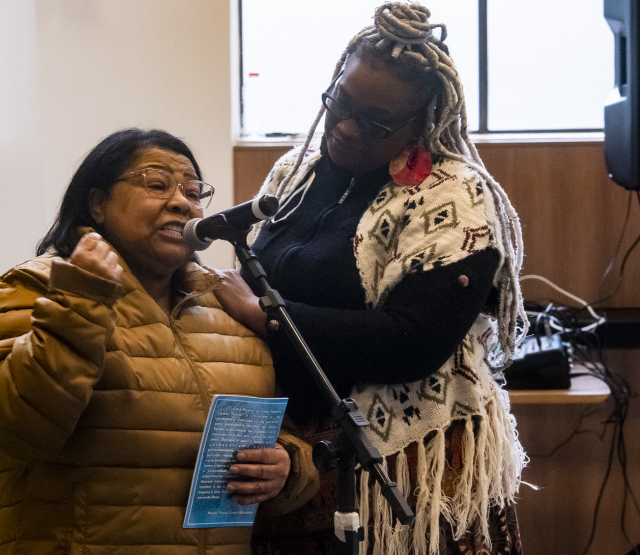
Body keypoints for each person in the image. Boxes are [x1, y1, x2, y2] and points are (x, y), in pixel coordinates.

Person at [215, 3, 529, 554]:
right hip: (291, 454)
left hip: (409, 468)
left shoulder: (452, 196)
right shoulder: (295, 171)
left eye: (375, 123)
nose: (345, 127)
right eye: (340, 102)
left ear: (421, 124)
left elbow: (412, 341)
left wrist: (267, 317)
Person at [0, 128, 319, 554]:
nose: (181, 202)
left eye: (194, 192)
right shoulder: (32, 288)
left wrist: (286, 468)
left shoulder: (225, 306)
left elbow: (281, 433)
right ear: (97, 204)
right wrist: (81, 300)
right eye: (157, 184)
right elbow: (10, 429)